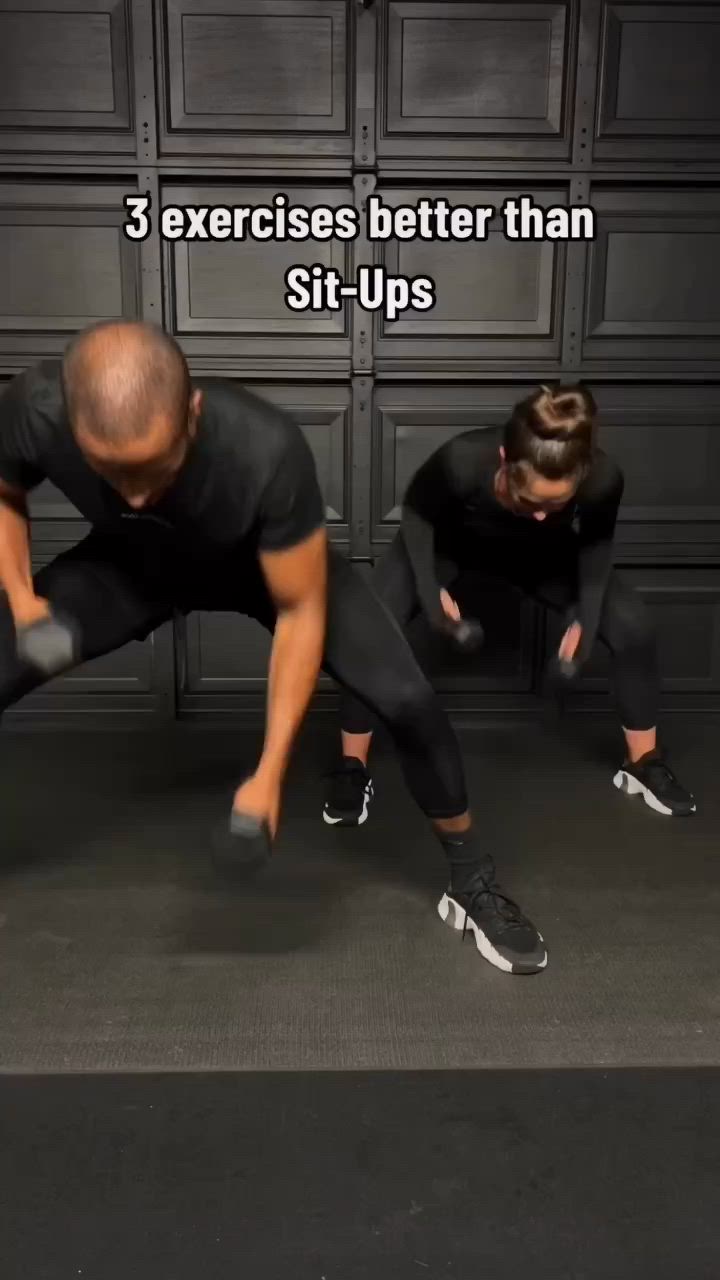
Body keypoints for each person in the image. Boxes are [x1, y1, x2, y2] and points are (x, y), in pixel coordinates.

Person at [0, 321, 546, 976]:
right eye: (114, 474)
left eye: (154, 468)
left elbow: (298, 611)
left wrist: (269, 772)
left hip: (269, 569)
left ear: (193, 413)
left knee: (409, 700)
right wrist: (22, 598)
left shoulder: (264, 449)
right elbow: (6, 487)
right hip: (132, 566)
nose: (136, 495)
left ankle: (471, 880)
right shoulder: (35, 407)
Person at [325, 382, 695, 834]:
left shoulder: (603, 478)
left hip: (541, 559)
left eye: (555, 503)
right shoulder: (463, 459)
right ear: (505, 460)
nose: (541, 514)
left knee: (633, 624)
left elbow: (596, 549)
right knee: (369, 627)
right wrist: (430, 593)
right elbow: (418, 516)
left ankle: (642, 763)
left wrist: (587, 617)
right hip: (452, 548)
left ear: (581, 473)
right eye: (530, 498)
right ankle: (351, 767)